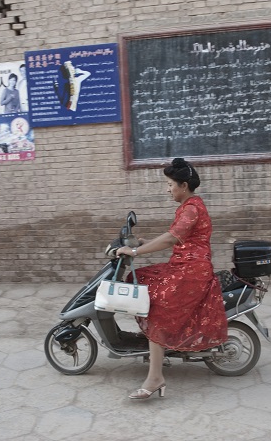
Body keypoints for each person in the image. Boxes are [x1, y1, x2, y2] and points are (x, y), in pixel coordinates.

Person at [116, 158, 228, 400]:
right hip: (183, 266)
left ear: (183, 185)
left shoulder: (191, 208)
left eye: (170, 184)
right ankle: (156, 345)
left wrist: (134, 252)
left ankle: (155, 377)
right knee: (141, 277)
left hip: (192, 271)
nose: (168, 189)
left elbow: (170, 239)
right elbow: (176, 237)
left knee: (154, 306)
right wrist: (146, 243)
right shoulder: (190, 205)